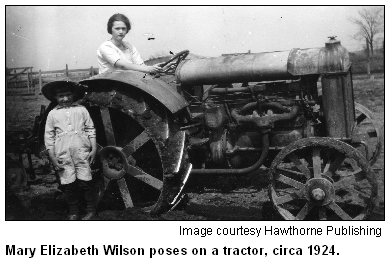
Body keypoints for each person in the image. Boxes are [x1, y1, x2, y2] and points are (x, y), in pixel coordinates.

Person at [43, 81, 97, 220]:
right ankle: (74, 212)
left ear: (73, 94)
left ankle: (91, 211)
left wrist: (94, 148)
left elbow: (90, 129)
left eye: (68, 95)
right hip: (63, 154)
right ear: (55, 97)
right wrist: (53, 157)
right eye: (61, 96)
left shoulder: (81, 110)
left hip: (81, 152)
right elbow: (49, 137)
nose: (65, 99)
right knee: (68, 185)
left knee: (85, 183)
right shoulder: (52, 114)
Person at [97, 13, 162, 74]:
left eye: (123, 28)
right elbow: (123, 66)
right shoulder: (106, 47)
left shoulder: (130, 47)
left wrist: (156, 68)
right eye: (117, 28)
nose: (121, 31)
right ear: (110, 29)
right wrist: (148, 69)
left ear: (127, 30)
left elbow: (141, 66)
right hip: (109, 83)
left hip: (128, 81)